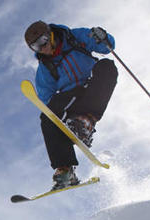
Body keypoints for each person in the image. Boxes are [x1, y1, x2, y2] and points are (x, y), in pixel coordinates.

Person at [24, 21, 118, 190]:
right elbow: (46, 99)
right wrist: (59, 117)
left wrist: (102, 36)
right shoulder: (45, 68)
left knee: (107, 66)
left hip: (93, 84)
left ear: (51, 34)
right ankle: (65, 169)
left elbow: (107, 47)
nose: (42, 47)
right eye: (36, 46)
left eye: (44, 40)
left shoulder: (74, 37)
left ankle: (86, 122)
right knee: (47, 115)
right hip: (71, 95)